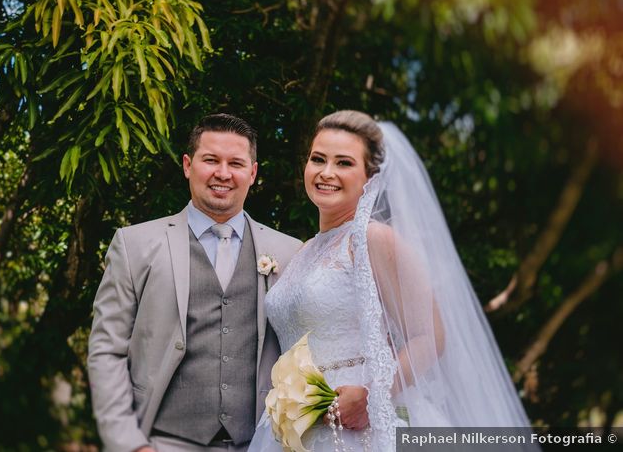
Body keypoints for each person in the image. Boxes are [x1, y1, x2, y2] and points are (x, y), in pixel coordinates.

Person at [249, 110, 534, 452]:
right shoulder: (306, 250)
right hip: (292, 428)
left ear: (371, 176)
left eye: (344, 163)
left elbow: (429, 335)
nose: (326, 173)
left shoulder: (374, 238)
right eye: (318, 159)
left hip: (357, 427)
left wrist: (372, 396)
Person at [88, 114, 305, 452]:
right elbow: (107, 350)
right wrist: (129, 444)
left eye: (235, 163)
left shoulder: (290, 253)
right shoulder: (135, 245)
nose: (222, 173)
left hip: (259, 443)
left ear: (253, 173)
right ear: (188, 165)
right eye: (211, 160)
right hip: (163, 442)